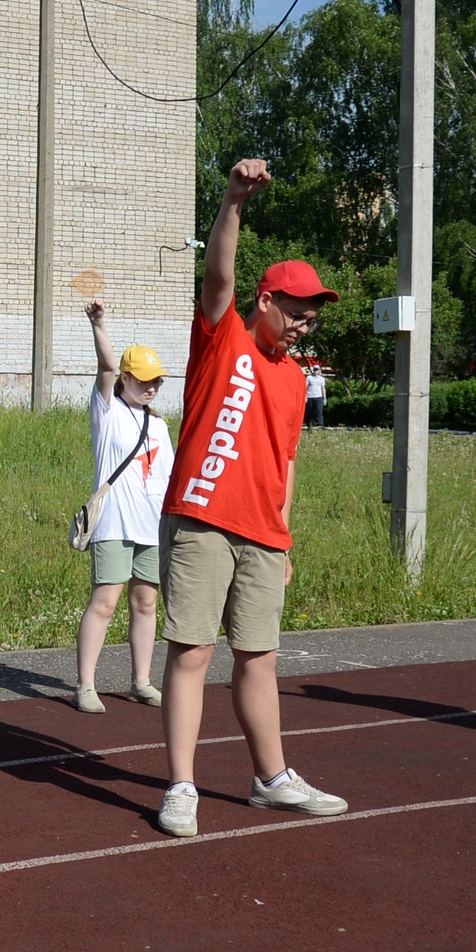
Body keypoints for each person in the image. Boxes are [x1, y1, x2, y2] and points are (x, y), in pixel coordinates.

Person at [153, 159, 350, 838]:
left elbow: (286, 461)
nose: (302, 326)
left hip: (263, 535)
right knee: (191, 651)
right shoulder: (223, 336)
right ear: (266, 302)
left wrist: (284, 535)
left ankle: (272, 778)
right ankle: (181, 785)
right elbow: (218, 276)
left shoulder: (296, 381)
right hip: (203, 518)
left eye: (310, 319)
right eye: (296, 313)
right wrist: (233, 202)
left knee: (259, 656)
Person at [74, 298, 171, 714]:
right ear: (126, 379)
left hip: (153, 526)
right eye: (143, 380)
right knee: (106, 601)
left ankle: (141, 681)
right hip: (114, 523)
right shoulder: (107, 411)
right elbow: (105, 369)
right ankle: (85, 685)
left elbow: (167, 477)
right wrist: (99, 324)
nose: (150, 387)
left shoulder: (162, 426)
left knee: (146, 602)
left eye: (157, 382)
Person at [304, 359, 329, 429]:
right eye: (315, 370)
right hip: (310, 396)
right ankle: (309, 424)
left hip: (318, 397)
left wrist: (324, 398)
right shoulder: (309, 378)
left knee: (319, 411)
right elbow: (305, 387)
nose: (315, 371)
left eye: (317, 370)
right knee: (309, 411)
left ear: (319, 371)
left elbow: (323, 388)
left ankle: (320, 424)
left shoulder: (321, 379)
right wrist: (305, 396)